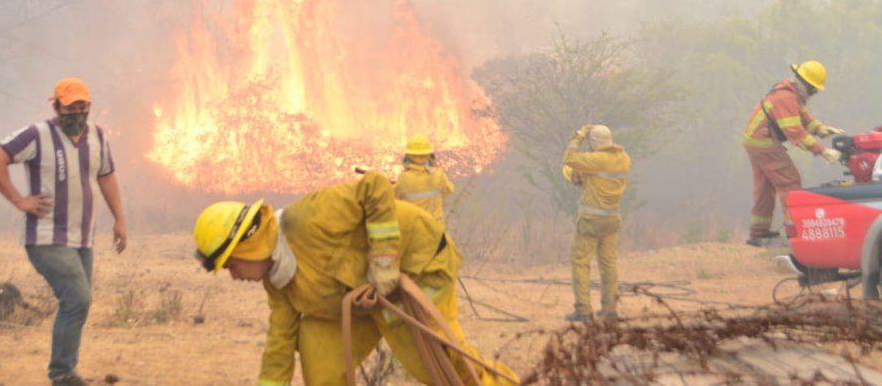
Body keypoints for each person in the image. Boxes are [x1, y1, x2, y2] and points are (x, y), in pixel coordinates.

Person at [193, 172, 517, 385]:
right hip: (365, 298)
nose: (233, 276)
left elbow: (374, 186)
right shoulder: (278, 283)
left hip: (422, 262)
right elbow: (279, 347)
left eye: (231, 264)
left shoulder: (308, 218)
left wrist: (385, 260)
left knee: (440, 362)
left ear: (247, 246)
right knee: (319, 362)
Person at [0, 77, 126, 385]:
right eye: (70, 106)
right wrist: (19, 200)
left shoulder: (98, 136)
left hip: (82, 239)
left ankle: (66, 370)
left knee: (78, 302)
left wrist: (119, 220)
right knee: (77, 298)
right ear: (56, 106)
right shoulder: (37, 135)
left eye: (82, 106)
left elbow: (107, 177)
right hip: (46, 238)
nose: (77, 112)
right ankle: (62, 374)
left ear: (89, 107)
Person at [741, 61, 843, 246]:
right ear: (805, 84)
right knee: (790, 182)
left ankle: (759, 232)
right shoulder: (786, 98)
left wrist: (821, 129)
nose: (813, 94)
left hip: (755, 141)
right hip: (764, 142)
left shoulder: (790, 93)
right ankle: (796, 230)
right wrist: (823, 151)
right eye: (813, 90)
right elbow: (795, 132)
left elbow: (805, 119)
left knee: (765, 187)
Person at [562, 124, 631, 322]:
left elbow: (570, 159)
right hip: (611, 219)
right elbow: (596, 178)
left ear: (594, 142)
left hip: (591, 220)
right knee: (608, 263)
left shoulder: (598, 159)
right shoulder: (624, 159)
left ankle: (583, 310)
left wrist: (578, 136)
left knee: (580, 262)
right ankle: (610, 309)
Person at [394, 134, 455, 226]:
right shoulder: (438, 174)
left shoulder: (404, 178)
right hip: (436, 228)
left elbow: (394, 196)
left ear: (408, 156)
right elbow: (449, 189)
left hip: (415, 228)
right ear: (429, 155)